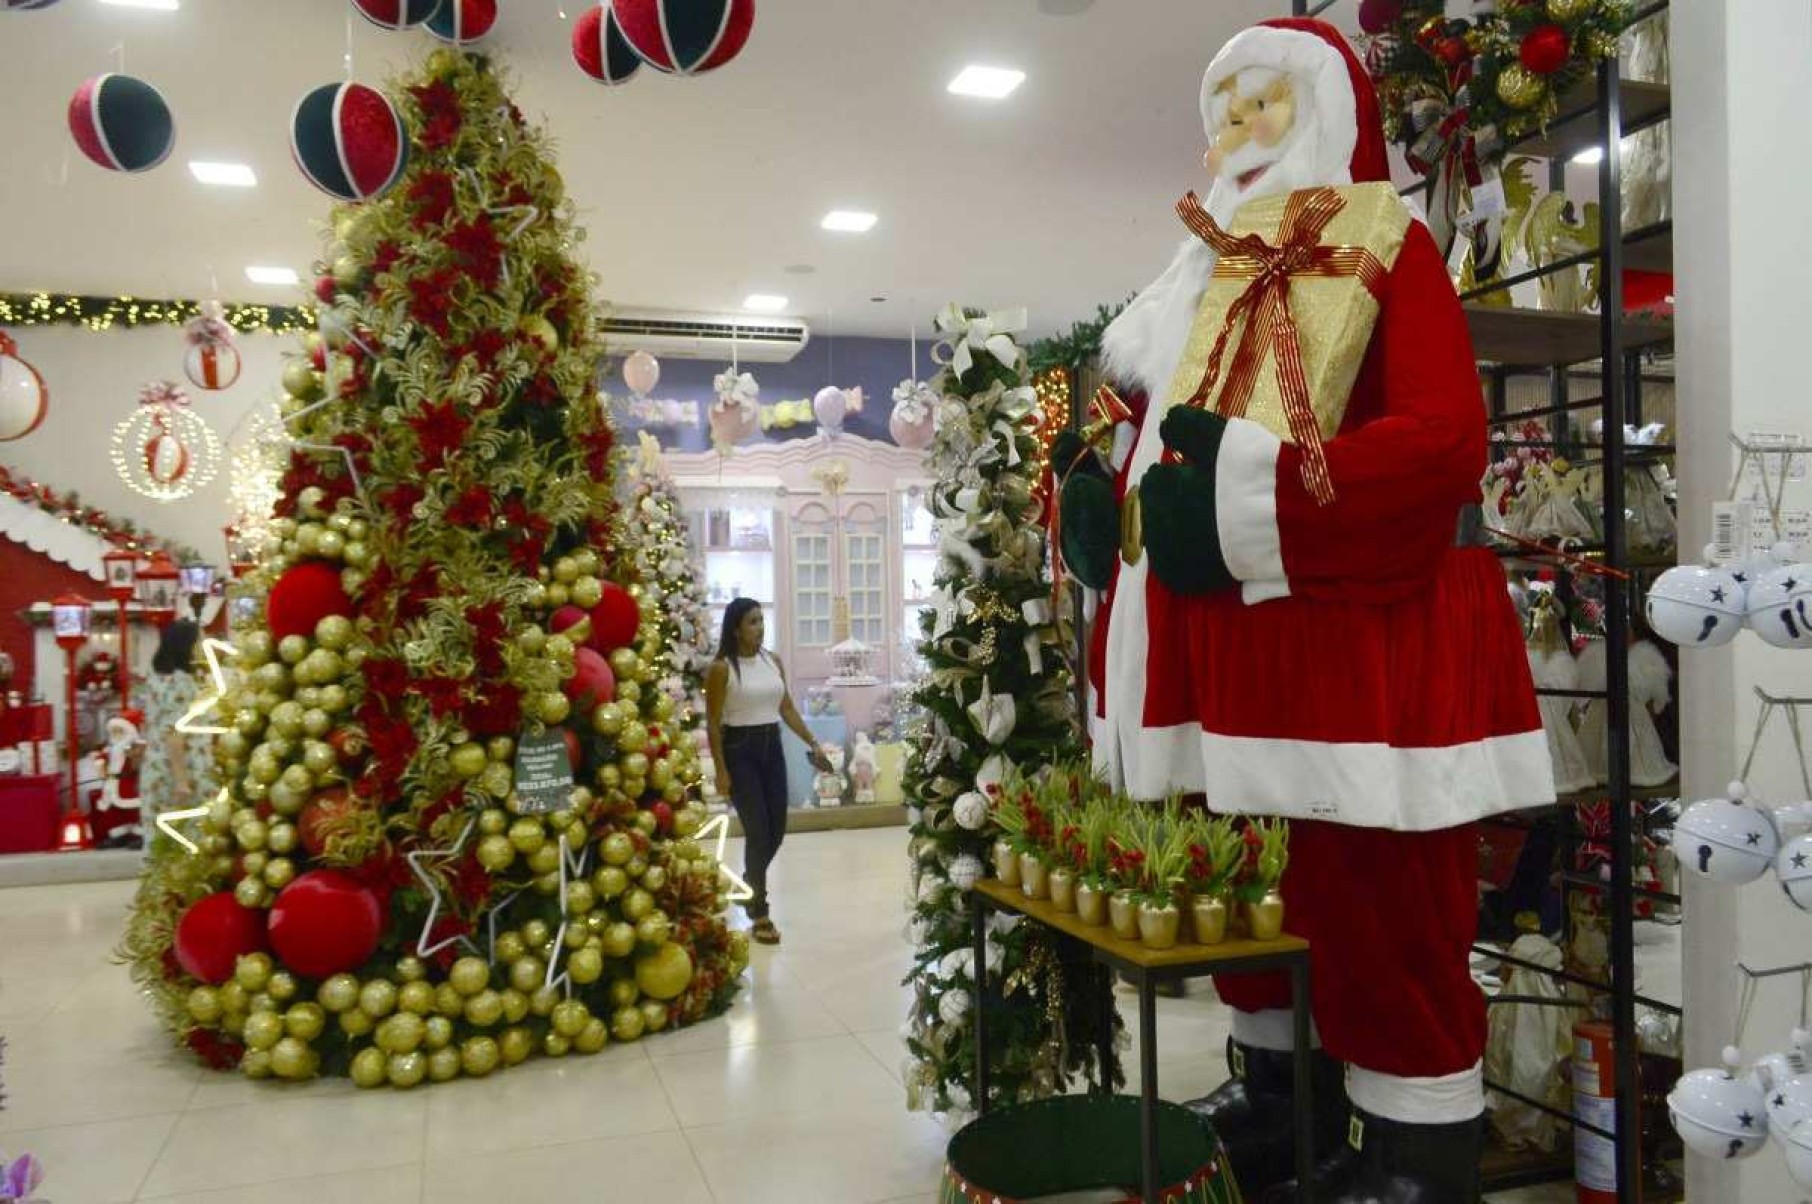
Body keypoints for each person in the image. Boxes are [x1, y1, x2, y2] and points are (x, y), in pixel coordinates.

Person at [1054, 18, 1552, 1202]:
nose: (1238, 134)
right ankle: (1281, 1097)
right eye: (1224, 113)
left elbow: (1438, 447)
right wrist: (1101, 515)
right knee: (1257, 888)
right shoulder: (1196, 274)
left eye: (1264, 105)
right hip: (1226, 667)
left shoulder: (1391, 246)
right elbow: (1159, 442)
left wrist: (1251, 505)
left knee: (1379, 906)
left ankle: (1418, 1151)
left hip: (1352, 660)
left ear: (1326, 111)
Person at [704, 599, 829, 945]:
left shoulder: (772, 661)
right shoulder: (721, 669)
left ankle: (749, 879)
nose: (760, 627)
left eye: (761, 620)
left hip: (771, 747)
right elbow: (713, 724)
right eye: (752, 622)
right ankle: (759, 910)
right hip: (739, 750)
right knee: (758, 832)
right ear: (735, 629)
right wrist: (721, 771)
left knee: (777, 829)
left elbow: (785, 707)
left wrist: (813, 741)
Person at [140, 619, 215, 850]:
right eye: (200, 640)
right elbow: (175, 733)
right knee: (189, 841)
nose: (204, 645)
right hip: (183, 768)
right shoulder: (181, 682)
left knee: (159, 842)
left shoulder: (156, 678)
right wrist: (182, 781)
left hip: (156, 767)